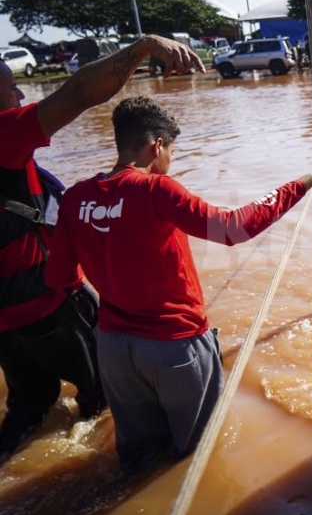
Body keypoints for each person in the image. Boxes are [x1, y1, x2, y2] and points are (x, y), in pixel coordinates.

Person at [43, 96, 312, 475]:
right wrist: (299, 184)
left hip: (113, 350)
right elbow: (233, 227)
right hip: (174, 346)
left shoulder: (76, 198)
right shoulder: (158, 190)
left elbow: (59, 278)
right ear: (156, 146)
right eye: (170, 151)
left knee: (139, 460)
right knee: (199, 460)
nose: (169, 161)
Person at [0, 35, 202, 464]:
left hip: (5, 325)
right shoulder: (4, 136)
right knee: (104, 398)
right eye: (9, 87)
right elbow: (76, 93)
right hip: (45, 302)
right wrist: (143, 47)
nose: (19, 93)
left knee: (28, 407)